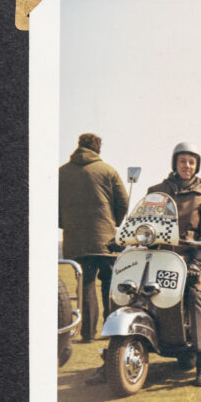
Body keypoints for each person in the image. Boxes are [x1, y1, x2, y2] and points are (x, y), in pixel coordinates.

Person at [145, 141, 201, 387]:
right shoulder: (156, 191)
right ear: (174, 163)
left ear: (196, 165)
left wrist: (200, 259)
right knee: (133, 288)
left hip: (194, 256)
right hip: (161, 255)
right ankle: (113, 356)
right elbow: (144, 220)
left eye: (191, 162)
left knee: (195, 293)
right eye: (182, 161)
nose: (187, 166)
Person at [58, 132, 129, 343]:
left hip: (76, 240)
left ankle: (87, 333)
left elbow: (53, 206)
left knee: (85, 285)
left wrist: (66, 224)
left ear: (78, 146)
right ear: (98, 148)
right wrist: (113, 222)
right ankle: (111, 330)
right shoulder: (108, 171)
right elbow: (123, 202)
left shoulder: (61, 172)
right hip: (106, 240)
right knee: (109, 283)